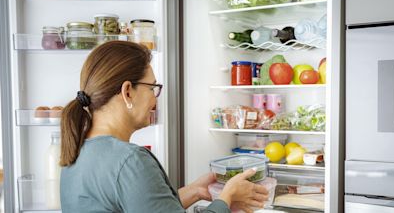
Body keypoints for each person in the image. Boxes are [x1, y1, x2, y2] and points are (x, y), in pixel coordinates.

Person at [60, 41, 269, 213]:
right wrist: (227, 197)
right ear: (127, 92)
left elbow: (139, 206)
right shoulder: (130, 160)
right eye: (152, 88)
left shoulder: (77, 151)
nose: (155, 98)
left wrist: (195, 191)